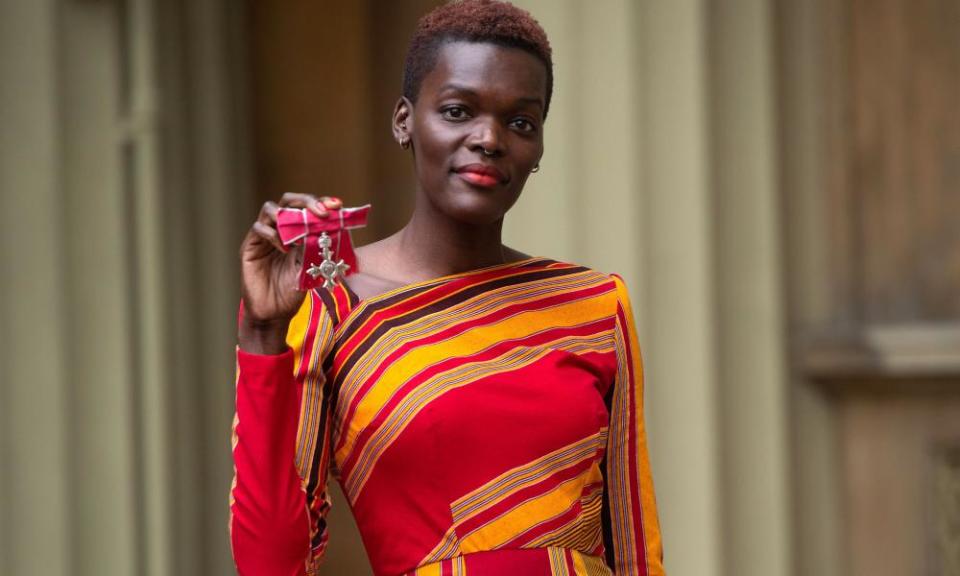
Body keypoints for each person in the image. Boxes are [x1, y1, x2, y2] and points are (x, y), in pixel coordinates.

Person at [229, 1, 665, 574]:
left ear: (537, 150)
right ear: (404, 121)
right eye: (459, 111)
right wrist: (263, 333)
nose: (489, 139)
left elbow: (634, 544)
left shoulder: (594, 304)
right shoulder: (332, 308)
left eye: (520, 122)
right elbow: (272, 563)